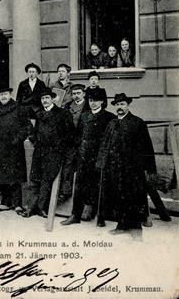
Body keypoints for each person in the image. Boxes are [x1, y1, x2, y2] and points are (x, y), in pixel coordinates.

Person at [97, 94, 170, 238]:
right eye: (117, 104)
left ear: (128, 105)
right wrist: (101, 164)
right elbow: (104, 145)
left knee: (134, 199)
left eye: (122, 104)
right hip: (114, 169)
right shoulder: (111, 124)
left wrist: (149, 169)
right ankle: (121, 225)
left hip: (132, 170)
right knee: (118, 198)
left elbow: (147, 147)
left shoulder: (137, 123)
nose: (120, 107)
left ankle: (136, 230)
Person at [61, 88, 115, 227]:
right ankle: (75, 215)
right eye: (91, 101)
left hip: (98, 158)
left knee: (100, 186)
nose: (93, 103)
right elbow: (78, 135)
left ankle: (100, 216)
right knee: (79, 186)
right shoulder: (84, 115)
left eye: (96, 101)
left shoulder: (109, 117)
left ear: (102, 102)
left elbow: (110, 140)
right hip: (83, 156)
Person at [20, 88, 74, 218]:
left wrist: (59, 146)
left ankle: (41, 208)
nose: (44, 100)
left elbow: (70, 133)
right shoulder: (39, 114)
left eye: (47, 98)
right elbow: (35, 131)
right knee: (35, 179)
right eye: (43, 98)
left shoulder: (62, 113)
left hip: (54, 153)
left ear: (52, 99)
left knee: (46, 180)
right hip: (40, 151)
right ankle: (31, 207)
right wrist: (35, 140)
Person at [0, 86, 32, 212]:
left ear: (10, 95)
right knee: (2, 177)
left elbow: (27, 126)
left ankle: (17, 204)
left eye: (5, 94)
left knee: (15, 177)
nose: (3, 96)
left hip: (14, 148)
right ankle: (5, 202)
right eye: (1, 94)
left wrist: (17, 139)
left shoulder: (19, 109)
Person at [60, 84, 90, 202]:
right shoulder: (68, 106)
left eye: (78, 93)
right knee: (68, 167)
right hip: (70, 141)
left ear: (84, 94)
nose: (76, 96)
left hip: (84, 141)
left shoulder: (88, 105)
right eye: (74, 94)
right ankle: (65, 192)